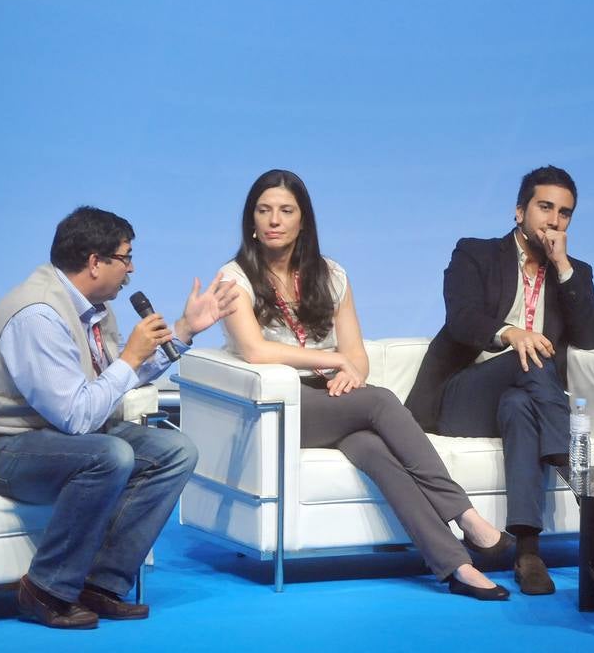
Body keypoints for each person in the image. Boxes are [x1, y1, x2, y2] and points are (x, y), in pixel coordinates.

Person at [219, 169, 511, 601]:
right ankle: (467, 515)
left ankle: (456, 566)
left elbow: (357, 353)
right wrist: (333, 359)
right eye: (264, 211)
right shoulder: (234, 277)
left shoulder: (330, 274)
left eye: (285, 210)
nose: (274, 220)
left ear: (303, 220)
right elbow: (256, 351)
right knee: (380, 403)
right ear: (252, 220)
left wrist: (350, 369)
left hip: (330, 401)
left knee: (373, 449)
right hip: (280, 404)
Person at [0, 206, 240, 628]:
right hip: (4, 448)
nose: (132, 270)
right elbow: (77, 417)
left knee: (174, 450)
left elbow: (107, 385)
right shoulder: (38, 315)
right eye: (126, 258)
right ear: (94, 262)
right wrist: (128, 357)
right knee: (108, 455)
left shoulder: (93, 308)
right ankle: (45, 589)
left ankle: (100, 584)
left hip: (53, 438)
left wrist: (182, 331)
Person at [406, 165, 594, 595]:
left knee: (521, 406)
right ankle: (579, 476)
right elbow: (461, 319)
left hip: (522, 399)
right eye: (544, 207)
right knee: (533, 356)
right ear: (519, 211)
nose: (554, 220)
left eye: (565, 213)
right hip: (461, 397)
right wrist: (511, 333)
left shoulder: (575, 272)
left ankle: (528, 553)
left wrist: (561, 266)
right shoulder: (475, 253)